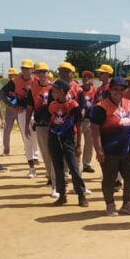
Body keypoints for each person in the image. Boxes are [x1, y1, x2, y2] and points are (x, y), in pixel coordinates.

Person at [90, 76, 130, 216]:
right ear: (110, 90)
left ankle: (127, 204)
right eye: (115, 89)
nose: (119, 92)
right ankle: (110, 204)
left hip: (128, 149)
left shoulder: (129, 104)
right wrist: (99, 150)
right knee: (109, 178)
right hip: (110, 150)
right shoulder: (101, 107)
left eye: (122, 89)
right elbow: (95, 129)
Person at [49, 79, 88, 207]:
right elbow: (52, 120)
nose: (52, 93)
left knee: (73, 167)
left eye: (54, 90)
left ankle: (81, 194)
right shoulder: (52, 104)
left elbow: (78, 124)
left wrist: (78, 145)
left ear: (61, 91)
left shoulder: (73, 105)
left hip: (68, 138)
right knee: (58, 166)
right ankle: (62, 195)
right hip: (54, 137)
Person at [26, 62, 59, 198]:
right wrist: (27, 124)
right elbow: (29, 108)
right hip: (40, 124)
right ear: (36, 74)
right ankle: (51, 177)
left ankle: (56, 182)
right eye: (39, 72)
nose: (42, 75)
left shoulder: (54, 88)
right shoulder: (32, 89)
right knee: (45, 153)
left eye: (44, 72)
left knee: (54, 153)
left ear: (48, 73)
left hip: (54, 124)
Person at [3, 59, 39, 176]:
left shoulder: (37, 80)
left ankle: (36, 156)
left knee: (37, 136)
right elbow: (1, 93)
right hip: (23, 111)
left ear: (32, 69)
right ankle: (31, 167)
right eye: (23, 68)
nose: (25, 70)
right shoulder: (15, 80)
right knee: (27, 137)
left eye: (27, 68)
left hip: (36, 112)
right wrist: (13, 106)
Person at [77, 70, 98, 174]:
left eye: (89, 77)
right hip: (79, 121)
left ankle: (87, 164)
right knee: (78, 142)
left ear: (92, 80)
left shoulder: (95, 90)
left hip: (90, 120)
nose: (86, 79)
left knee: (89, 143)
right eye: (84, 77)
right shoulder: (79, 90)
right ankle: (77, 164)